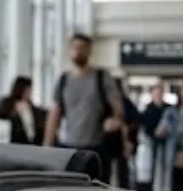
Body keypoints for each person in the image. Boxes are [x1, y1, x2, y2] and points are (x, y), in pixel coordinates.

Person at [44, 32, 127, 182]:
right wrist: (47, 146)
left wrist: (115, 120)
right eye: (75, 47)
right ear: (69, 50)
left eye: (82, 48)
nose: (78, 51)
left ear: (89, 51)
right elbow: (54, 114)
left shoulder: (102, 78)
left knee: (95, 190)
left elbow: (117, 107)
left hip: (96, 147)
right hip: (67, 146)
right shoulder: (63, 80)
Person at [0, 76, 44, 145]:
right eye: (28, 89)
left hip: (32, 144)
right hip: (13, 143)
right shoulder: (8, 104)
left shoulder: (34, 108)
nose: (30, 92)